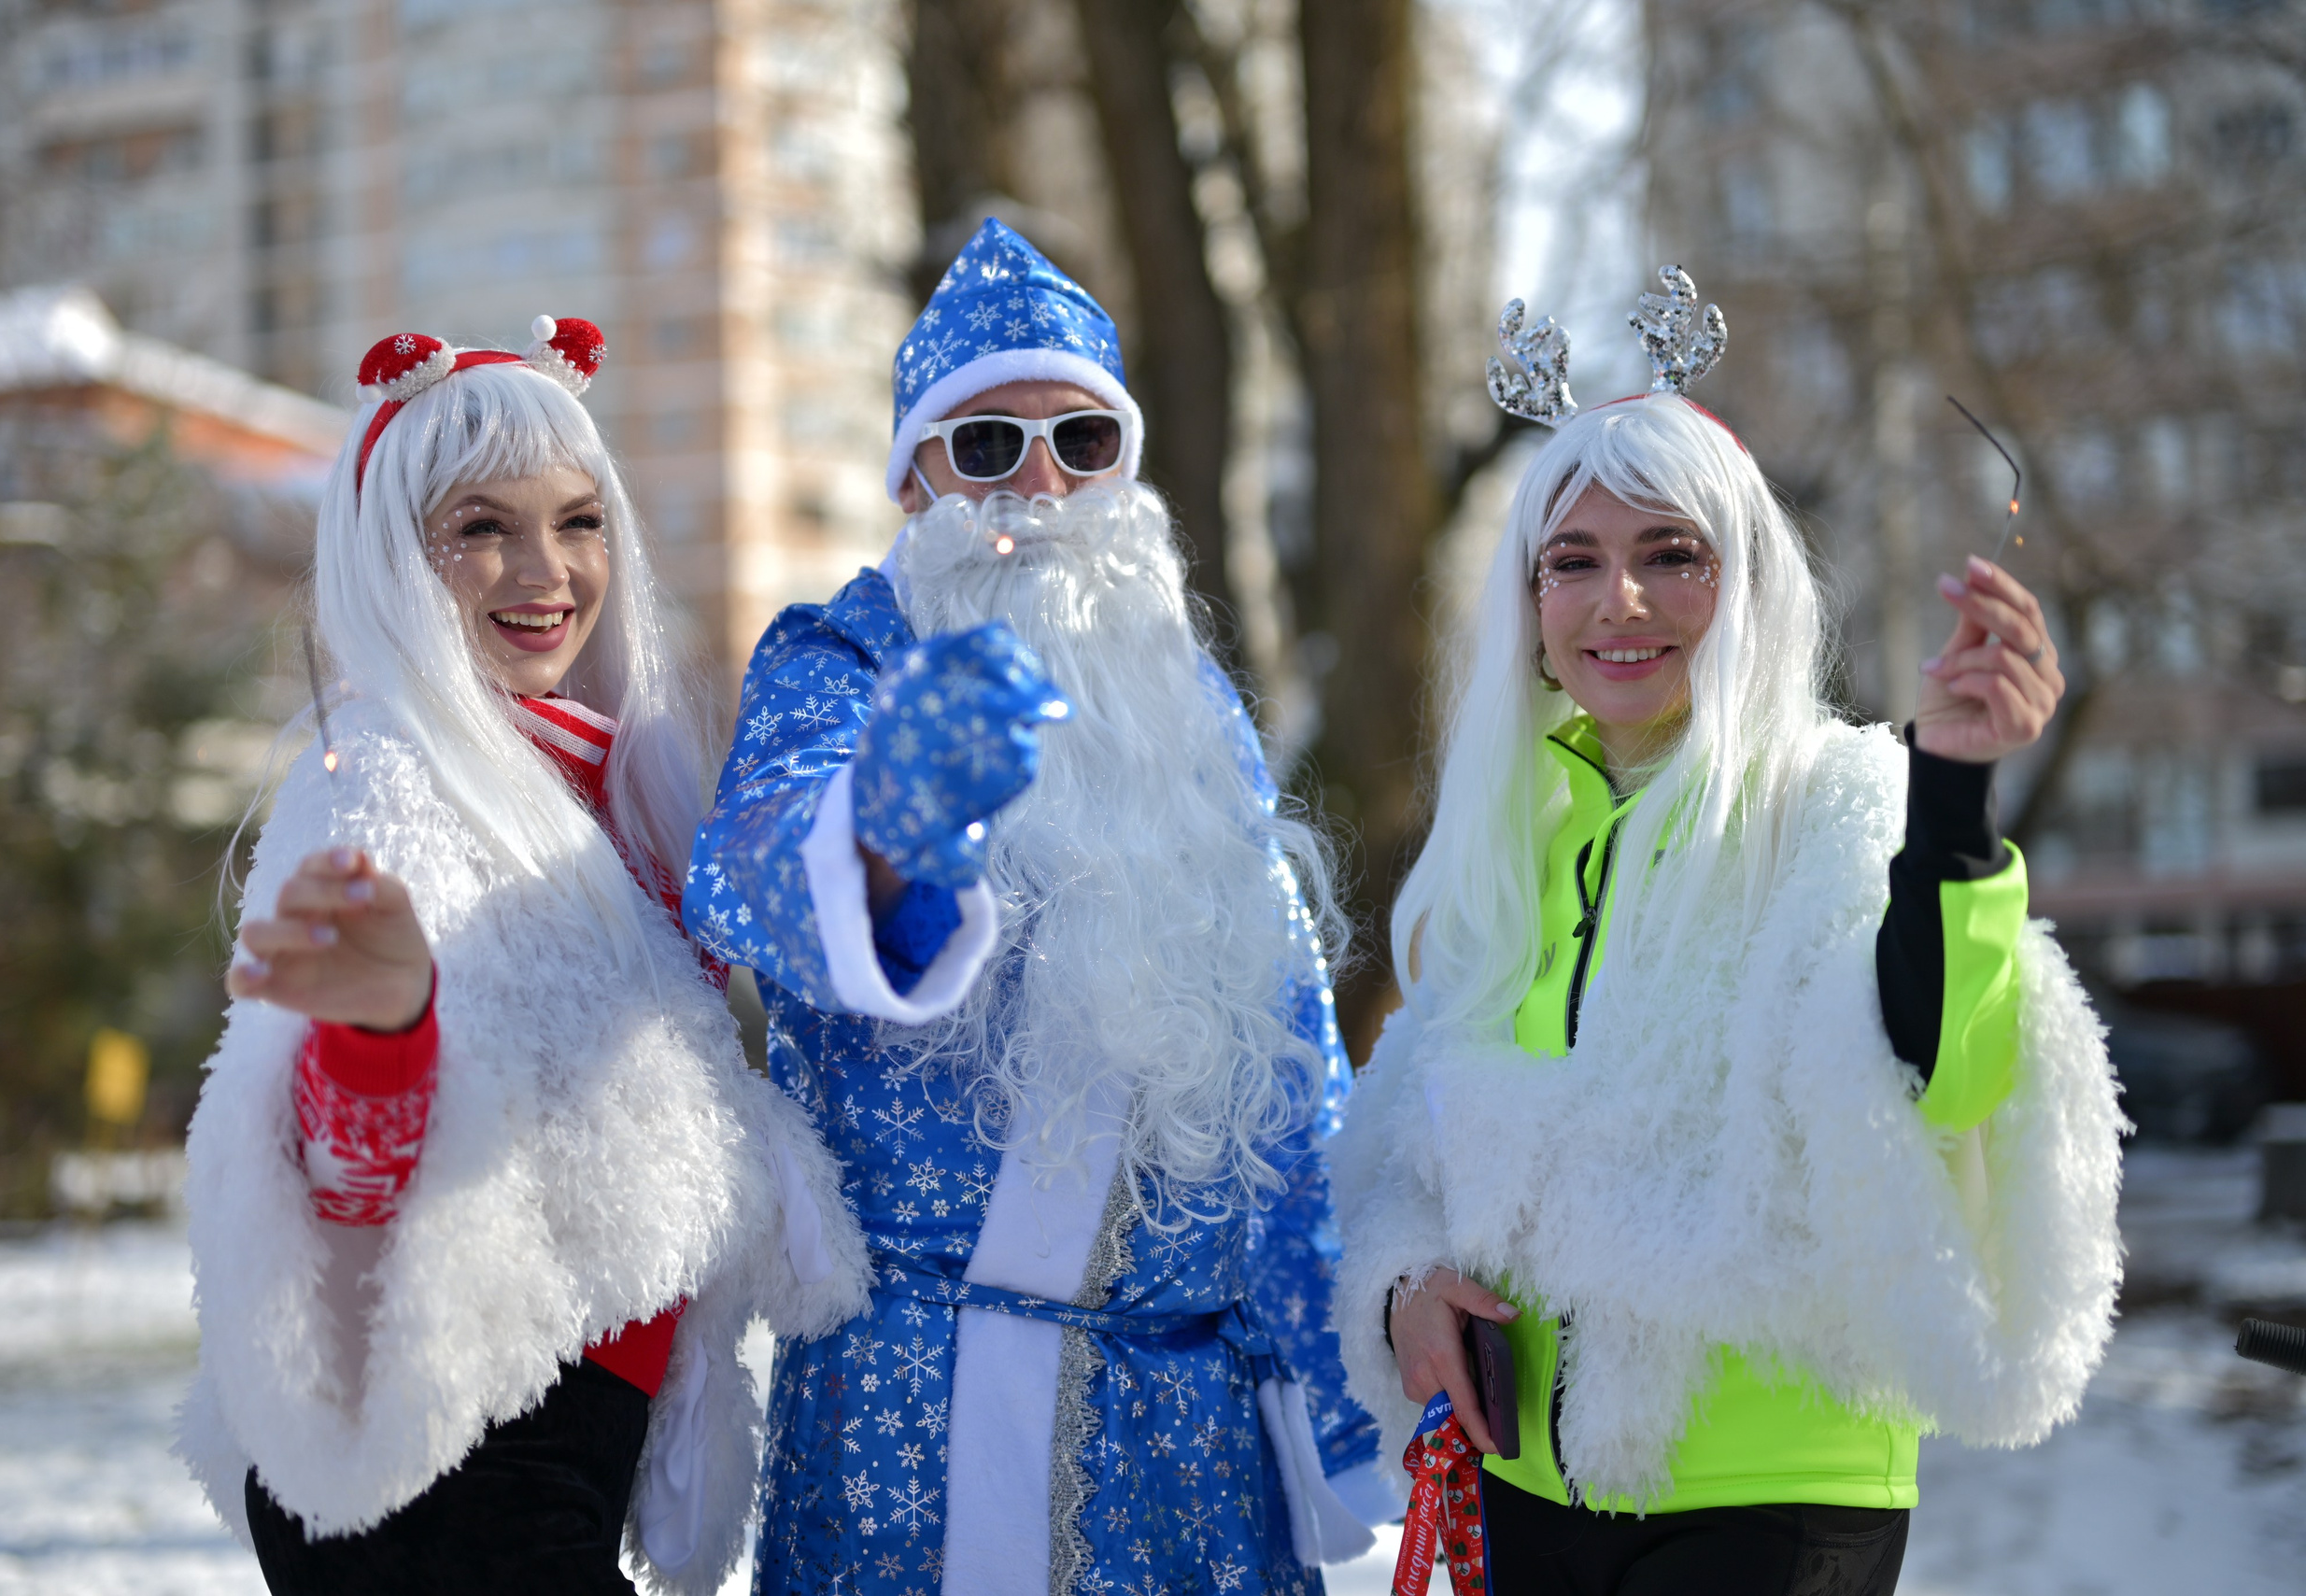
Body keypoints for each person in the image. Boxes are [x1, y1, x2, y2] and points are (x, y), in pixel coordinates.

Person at [1330, 271, 2124, 1596]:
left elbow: (1940, 1070)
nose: (1618, 603)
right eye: (1572, 562)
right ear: (1527, 608)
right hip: (1526, 1491)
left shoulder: (1832, 800)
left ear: (1744, 582)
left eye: (1671, 556)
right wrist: (1405, 1286)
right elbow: (1412, 1139)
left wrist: (1955, 805)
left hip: (1770, 1498)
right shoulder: (1504, 841)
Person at [684, 219, 1391, 1595]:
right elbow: (753, 876)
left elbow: (1290, 1058)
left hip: (1196, 1459)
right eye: (989, 444)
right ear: (915, 479)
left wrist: (1355, 1352)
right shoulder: (844, 656)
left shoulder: (1188, 713)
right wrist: (886, 829)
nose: (1042, 483)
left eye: (1083, 439)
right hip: (918, 1438)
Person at [178, 318, 869, 1596]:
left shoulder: (612, 787)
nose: (543, 569)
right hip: (442, 1490)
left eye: (580, 520)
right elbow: (330, 1172)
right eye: (480, 526)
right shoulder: (380, 793)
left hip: (548, 1466)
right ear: (393, 555)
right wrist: (381, 1035)